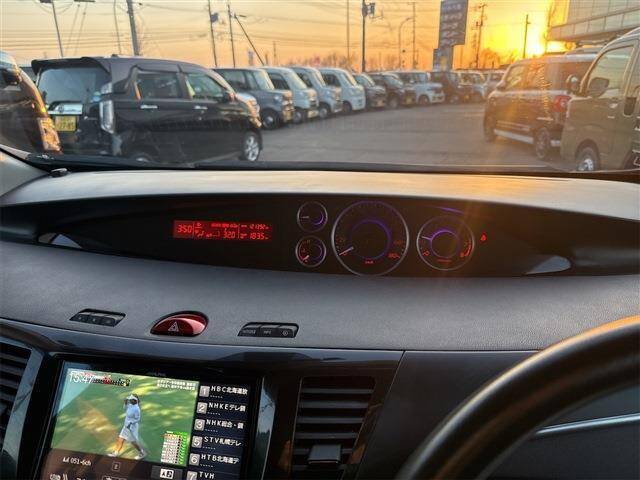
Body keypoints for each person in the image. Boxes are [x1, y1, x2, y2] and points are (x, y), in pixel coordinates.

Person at [108, 394, 146, 460]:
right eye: (129, 399)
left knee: (133, 442)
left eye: (131, 400)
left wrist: (130, 423)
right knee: (120, 439)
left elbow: (137, 419)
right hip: (126, 426)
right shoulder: (130, 405)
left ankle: (142, 453)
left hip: (131, 428)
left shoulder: (137, 409)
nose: (130, 400)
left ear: (134, 400)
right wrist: (125, 403)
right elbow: (124, 408)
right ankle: (115, 453)